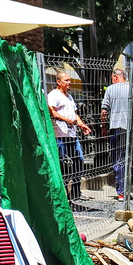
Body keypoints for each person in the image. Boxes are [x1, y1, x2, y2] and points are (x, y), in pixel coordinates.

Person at [47, 68, 91, 199]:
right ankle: (63, 192)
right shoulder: (53, 95)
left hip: (72, 134)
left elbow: (74, 113)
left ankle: (76, 191)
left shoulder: (70, 97)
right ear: (59, 82)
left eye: (69, 81)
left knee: (79, 161)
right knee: (61, 163)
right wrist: (66, 120)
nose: (69, 83)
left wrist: (82, 124)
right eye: (66, 80)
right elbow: (51, 111)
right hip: (60, 135)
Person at [101, 66, 133, 200]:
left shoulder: (110, 89)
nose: (112, 81)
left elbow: (104, 111)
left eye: (113, 78)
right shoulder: (132, 89)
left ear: (116, 77)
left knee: (118, 161)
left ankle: (121, 192)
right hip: (131, 128)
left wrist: (103, 126)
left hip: (116, 127)